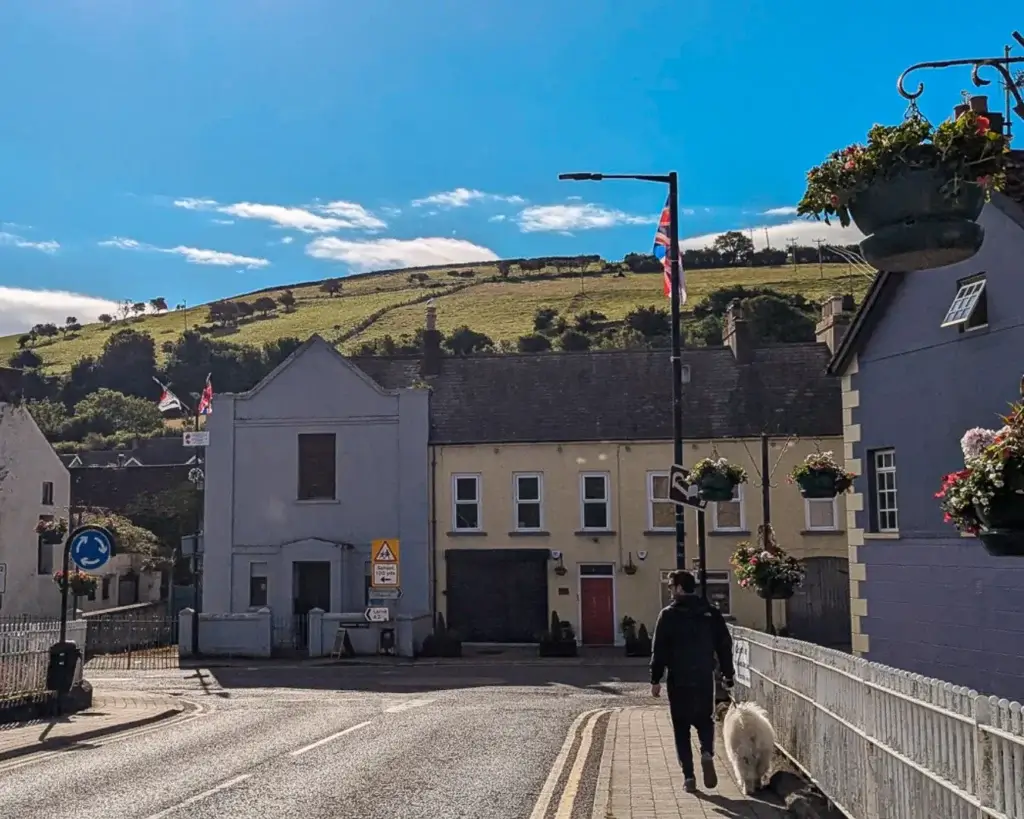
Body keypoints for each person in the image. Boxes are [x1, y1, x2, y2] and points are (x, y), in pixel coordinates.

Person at [650, 569, 735, 793]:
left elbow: (659, 650)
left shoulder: (668, 615)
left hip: (679, 679)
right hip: (704, 676)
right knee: (706, 721)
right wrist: (728, 673)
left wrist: (655, 678)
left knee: (681, 727)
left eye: (670, 586)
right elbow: (724, 645)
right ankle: (707, 751)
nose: (669, 591)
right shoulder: (710, 612)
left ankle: (689, 777)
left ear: (679, 588)